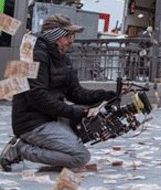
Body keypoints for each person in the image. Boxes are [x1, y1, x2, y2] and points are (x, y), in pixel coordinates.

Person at [1, 14, 117, 171]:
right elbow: (37, 98)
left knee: (89, 127)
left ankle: (41, 145)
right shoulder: (33, 56)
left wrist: (104, 95)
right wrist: (76, 111)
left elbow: (75, 93)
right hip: (32, 122)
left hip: (51, 116)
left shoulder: (62, 58)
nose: (71, 41)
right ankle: (22, 149)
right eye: (68, 36)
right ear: (55, 36)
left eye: (72, 36)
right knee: (80, 157)